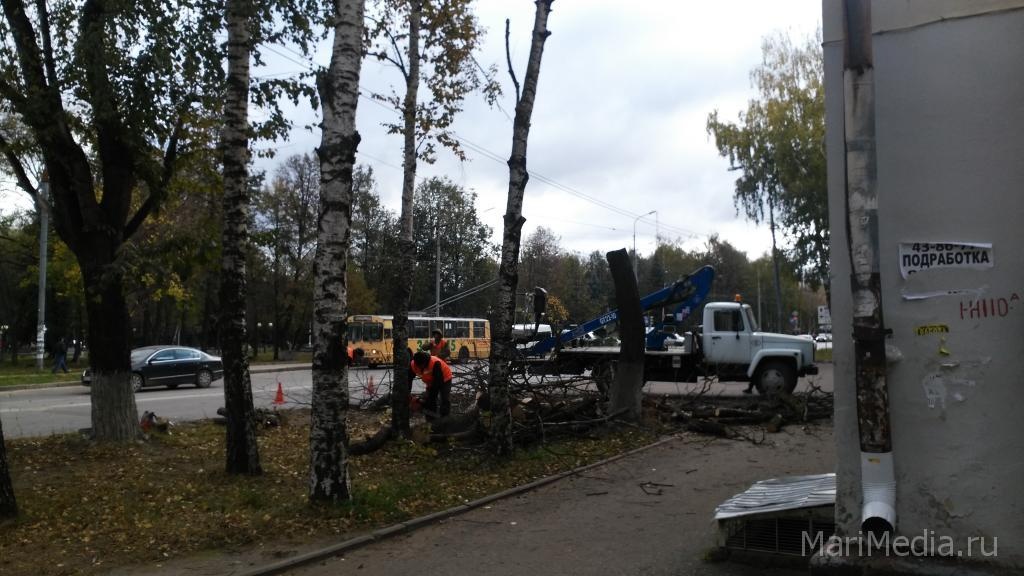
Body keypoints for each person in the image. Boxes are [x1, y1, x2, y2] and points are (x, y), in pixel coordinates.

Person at [410, 350, 452, 419]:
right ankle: (431, 418)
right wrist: (408, 392)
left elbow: (437, 384)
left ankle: (445, 418)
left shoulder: (435, 363)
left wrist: (430, 398)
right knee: (430, 400)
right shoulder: (413, 365)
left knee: (444, 398)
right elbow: (409, 378)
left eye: (422, 365)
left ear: (425, 362)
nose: (421, 367)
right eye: (419, 365)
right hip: (431, 381)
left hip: (445, 378)